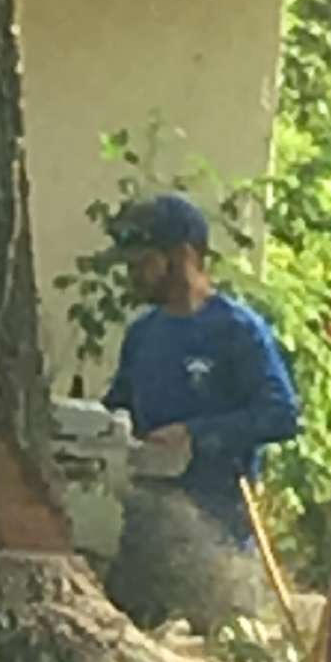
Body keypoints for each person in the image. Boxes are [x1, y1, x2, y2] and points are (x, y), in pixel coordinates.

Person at [102, 191, 299, 631]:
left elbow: (281, 414)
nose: (133, 274)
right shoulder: (143, 335)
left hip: (217, 532)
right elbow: (120, 406)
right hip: (145, 537)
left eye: (144, 262)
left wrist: (196, 433)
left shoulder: (237, 331)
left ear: (184, 256)